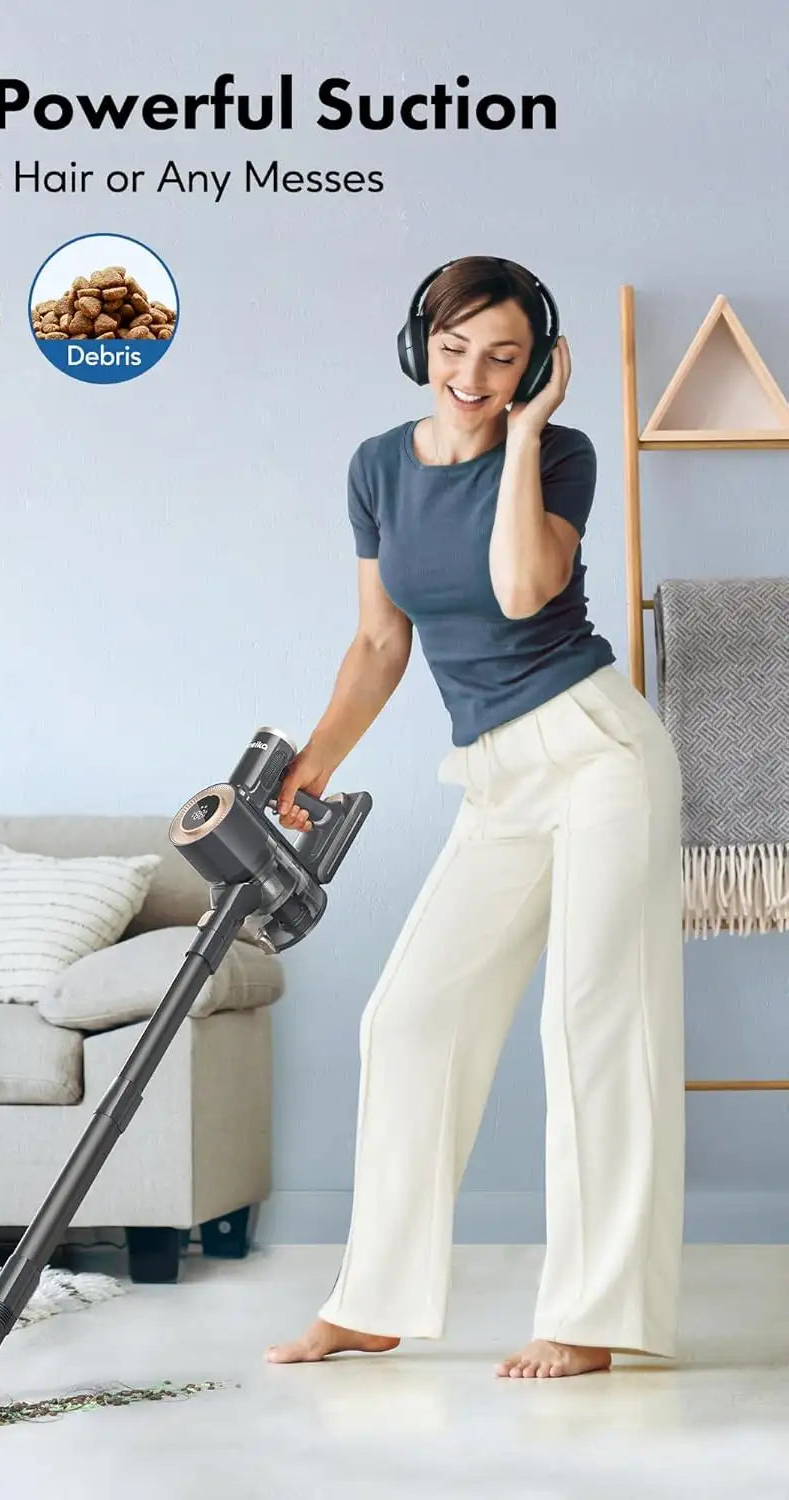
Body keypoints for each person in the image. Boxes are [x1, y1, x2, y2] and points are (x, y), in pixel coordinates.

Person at [265, 256, 685, 1379]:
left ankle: (591, 1317)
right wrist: (313, 763)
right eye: (454, 349)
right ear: (421, 346)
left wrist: (525, 433)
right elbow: (380, 640)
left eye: (505, 357)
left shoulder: (560, 452)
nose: (473, 374)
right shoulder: (376, 467)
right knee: (408, 1018)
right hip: (497, 776)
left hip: (598, 757)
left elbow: (520, 589)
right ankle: (374, 1299)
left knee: (593, 1025)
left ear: (535, 367)